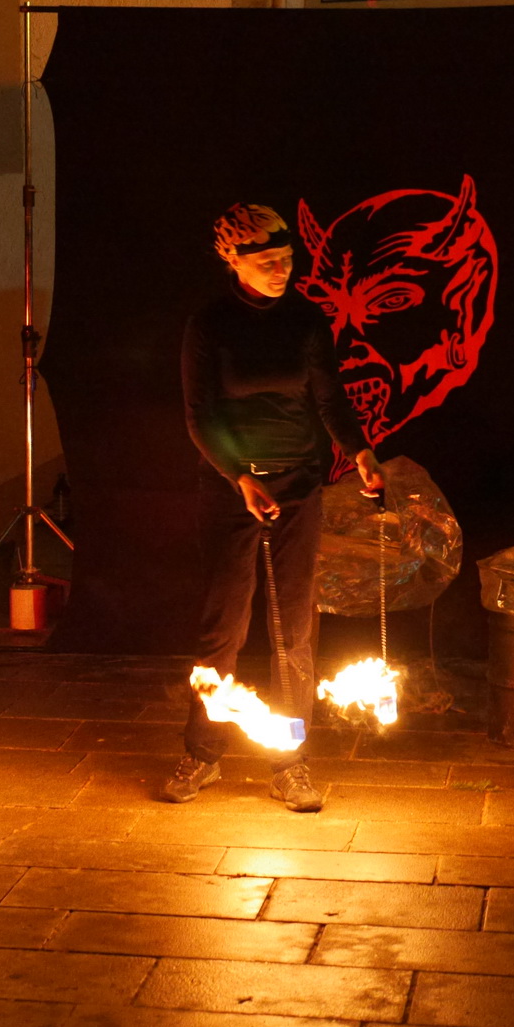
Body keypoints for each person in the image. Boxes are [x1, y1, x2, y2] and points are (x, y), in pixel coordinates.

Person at [165, 203, 384, 812]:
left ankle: (291, 762)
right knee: (223, 627)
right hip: (232, 489)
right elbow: (198, 416)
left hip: (298, 486)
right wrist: (238, 476)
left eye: (287, 259)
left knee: (293, 630)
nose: (281, 270)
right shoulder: (209, 325)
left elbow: (329, 398)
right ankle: (201, 753)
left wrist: (358, 452)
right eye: (266, 261)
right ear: (231, 260)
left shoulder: (306, 321)